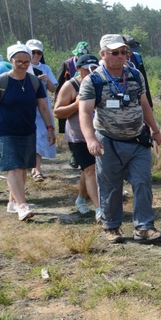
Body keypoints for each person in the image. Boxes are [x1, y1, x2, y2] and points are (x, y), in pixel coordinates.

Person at [78, 34, 161, 244]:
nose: (120, 56)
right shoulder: (93, 80)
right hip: (108, 142)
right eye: (115, 53)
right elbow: (85, 112)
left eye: (124, 52)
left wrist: (155, 129)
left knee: (143, 182)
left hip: (137, 141)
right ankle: (111, 226)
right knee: (110, 185)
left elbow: (144, 104)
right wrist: (91, 139)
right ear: (103, 54)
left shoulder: (134, 75)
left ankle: (144, 227)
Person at [0, 43, 55, 221]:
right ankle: (22, 206)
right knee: (13, 168)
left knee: (22, 169)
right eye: (19, 61)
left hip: (28, 130)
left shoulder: (34, 82)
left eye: (27, 62)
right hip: (4, 131)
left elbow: (43, 107)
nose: (23, 65)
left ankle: (13, 202)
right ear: (11, 60)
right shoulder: (1, 82)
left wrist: (50, 128)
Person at [54, 54, 101, 218]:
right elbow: (57, 111)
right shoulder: (71, 85)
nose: (91, 72)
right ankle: (99, 209)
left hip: (100, 136)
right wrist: (76, 104)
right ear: (79, 69)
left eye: (95, 68)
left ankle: (81, 199)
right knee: (91, 169)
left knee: (89, 171)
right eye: (88, 69)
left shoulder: (102, 83)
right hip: (78, 137)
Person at [25, 39, 57, 182]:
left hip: (42, 108)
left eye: (38, 52)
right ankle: (34, 168)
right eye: (33, 52)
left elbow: (53, 89)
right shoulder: (24, 67)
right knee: (32, 137)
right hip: (27, 108)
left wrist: (46, 80)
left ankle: (36, 168)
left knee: (41, 137)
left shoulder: (45, 68)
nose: (36, 55)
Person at [122, 35, 153, 108]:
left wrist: (149, 104)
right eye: (127, 51)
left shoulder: (137, 58)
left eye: (132, 51)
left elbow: (144, 82)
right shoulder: (114, 62)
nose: (130, 54)